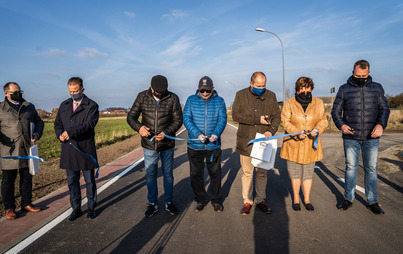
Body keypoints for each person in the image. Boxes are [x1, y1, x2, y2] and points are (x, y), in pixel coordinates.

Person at [331, 60, 390, 214]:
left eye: (363, 75)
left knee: (371, 168)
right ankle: (348, 198)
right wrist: (342, 125)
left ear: (368, 73)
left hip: (372, 137)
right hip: (351, 137)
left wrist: (380, 125)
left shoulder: (377, 88)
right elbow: (335, 112)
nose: (360, 77)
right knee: (350, 168)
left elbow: (384, 109)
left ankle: (372, 201)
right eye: (357, 75)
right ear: (352, 72)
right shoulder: (344, 89)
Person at [127, 75, 183, 217]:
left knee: (168, 174)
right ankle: (152, 203)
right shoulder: (142, 97)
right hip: (149, 144)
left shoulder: (173, 98)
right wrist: (139, 128)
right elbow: (131, 117)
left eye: (162, 91)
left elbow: (178, 120)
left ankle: (169, 202)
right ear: (151, 87)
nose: (159, 93)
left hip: (167, 144)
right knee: (151, 175)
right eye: (157, 91)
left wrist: (167, 132)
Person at [232, 71, 281, 215]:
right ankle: (247, 201)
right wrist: (256, 119)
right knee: (247, 173)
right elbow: (235, 115)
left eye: (264, 85)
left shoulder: (271, 96)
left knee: (261, 173)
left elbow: (277, 117)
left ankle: (261, 200)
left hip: (263, 141)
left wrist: (270, 131)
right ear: (251, 84)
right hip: (246, 141)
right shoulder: (241, 95)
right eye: (258, 85)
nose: (261, 88)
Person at [54, 77, 99, 221]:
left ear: (82, 90)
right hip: (69, 149)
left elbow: (89, 124)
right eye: (70, 91)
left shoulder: (91, 105)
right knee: (72, 182)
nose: (73, 94)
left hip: (85, 149)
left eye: (76, 91)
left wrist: (71, 132)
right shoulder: (64, 105)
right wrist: (59, 135)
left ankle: (91, 207)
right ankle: (76, 208)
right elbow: (57, 124)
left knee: (89, 181)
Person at [280, 77, 328, 211]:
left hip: (310, 145)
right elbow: (285, 121)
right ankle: (296, 199)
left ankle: (306, 199)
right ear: (297, 89)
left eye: (307, 88)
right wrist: (296, 132)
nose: (305, 91)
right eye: (302, 88)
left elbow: (323, 120)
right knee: (295, 174)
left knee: (307, 174)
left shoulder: (318, 103)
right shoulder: (289, 103)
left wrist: (317, 130)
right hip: (293, 145)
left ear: (311, 88)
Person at [0, 82, 44, 220]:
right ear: (6, 93)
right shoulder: (0, 108)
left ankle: (26, 204)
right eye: (15, 92)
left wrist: (37, 133)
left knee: (27, 177)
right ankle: (9, 208)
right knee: (8, 180)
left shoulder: (28, 106)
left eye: (20, 91)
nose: (18, 94)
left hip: (26, 148)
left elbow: (39, 122)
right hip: (9, 151)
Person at [183, 76, 227, 213]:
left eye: (207, 91)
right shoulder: (190, 100)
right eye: (202, 91)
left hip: (213, 146)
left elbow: (222, 119)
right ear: (198, 89)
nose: (205, 94)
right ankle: (200, 200)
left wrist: (216, 134)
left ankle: (215, 200)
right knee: (196, 175)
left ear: (212, 89)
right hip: (195, 146)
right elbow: (187, 119)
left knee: (215, 174)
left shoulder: (220, 101)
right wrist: (198, 135)